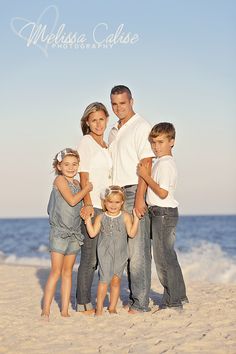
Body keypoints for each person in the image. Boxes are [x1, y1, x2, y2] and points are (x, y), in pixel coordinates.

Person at [108, 85, 154, 313]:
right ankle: (137, 299)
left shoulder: (141, 126)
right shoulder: (114, 130)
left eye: (122, 103)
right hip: (115, 194)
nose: (118, 108)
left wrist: (139, 198)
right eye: (114, 104)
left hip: (133, 190)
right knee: (126, 251)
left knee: (138, 250)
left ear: (132, 101)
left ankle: (141, 303)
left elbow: (146, 163)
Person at [137, 122, 188, 310]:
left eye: (160, 142)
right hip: (162, 213)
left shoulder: (166, 164)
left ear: (172, 142)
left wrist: (145, 175)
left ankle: (172, 301)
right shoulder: (163, 162)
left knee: (163, 259)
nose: (156, 146)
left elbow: (163, 193)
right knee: (168, 257)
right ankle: (179, 297)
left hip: (163, 214)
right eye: (153, 143)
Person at [41, 148, 93, 320]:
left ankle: (64, 310)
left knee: (68, 272)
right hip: (59, 233)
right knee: (56, 272)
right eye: (67, 164)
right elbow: (71, 200)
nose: (71, 168)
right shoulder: (60, 180)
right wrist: (88, 189)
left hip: (74, 234)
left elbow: (78, 207)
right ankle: (46, 310)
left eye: (74, 164)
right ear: (59, 166)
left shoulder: (78, 184)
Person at [76, 102, 112, 314]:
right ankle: (82, 303)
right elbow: (84, 176)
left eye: (101, 119)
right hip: (93, 207)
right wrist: (88, 204)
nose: (98, 124)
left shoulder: (105, 145)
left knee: (100, 258)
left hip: (107, 207)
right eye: (94, 120)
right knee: (89, 258)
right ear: (87, 123)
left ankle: (90, 300)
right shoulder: (86, 142)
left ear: (107, 119)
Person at [84, 186, 139, 316]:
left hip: (120, 253)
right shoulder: (101, 217)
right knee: (104, 280)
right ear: (105, 202)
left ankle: (112, 307)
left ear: (122, 203)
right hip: (105, 253)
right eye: (110, 202)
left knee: (116, 280)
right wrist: (87, 220)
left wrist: (136, 218)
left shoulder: (125, 216)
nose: (113, 205)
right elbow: (92, 233)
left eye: (117, 202)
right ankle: (99, 308)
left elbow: (131, 233)